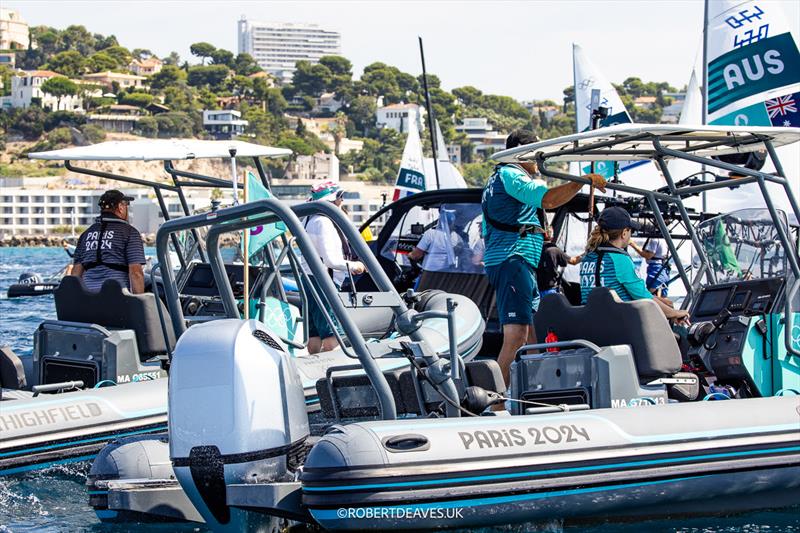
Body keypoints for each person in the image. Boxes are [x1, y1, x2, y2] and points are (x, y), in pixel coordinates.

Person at [482, 129, 608, 385]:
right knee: (517, 335)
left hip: (516, 260)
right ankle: (494, 401)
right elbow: (549, 200)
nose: (541, 161)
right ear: (520, 154)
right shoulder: (511, 174)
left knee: (531, 336)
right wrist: (580, 182)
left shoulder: (499, 178)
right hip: (512, 259)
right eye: (536, 155)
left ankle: (537, 390)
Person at [579, 207, 689, 324]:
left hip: (591, 323)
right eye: (631, 230)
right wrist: (675, 313)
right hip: (619, 326)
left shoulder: (588, 257)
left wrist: (662, 303)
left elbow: (638, 293)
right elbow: (643, 297)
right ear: (624, 233)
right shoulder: (620, 259)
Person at [302, 181, 366, 354]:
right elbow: (331, 261)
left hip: (309, 279)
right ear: (334, 200)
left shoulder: (310, 219)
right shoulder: (324, 222)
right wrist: (356, 266)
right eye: (341, 197)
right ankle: (334, 373)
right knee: (332, 334)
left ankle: (316, 371)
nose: (343, 201)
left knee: (314, 332)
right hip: (324, 281)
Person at [70, 190, 145, 293]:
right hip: (116, 297)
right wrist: (139, 304)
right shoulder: (130, 233)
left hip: (88, 297)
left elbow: (75, 274)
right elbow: (136, 273)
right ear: (120, 207)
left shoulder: (85, 234)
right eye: (126, 205)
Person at [407, 208, 464, 273]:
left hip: (429, 273)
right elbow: (460, 253)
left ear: (440, 221)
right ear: (453, 224)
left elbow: (416, 256)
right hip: (447, 273)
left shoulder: (430, 234)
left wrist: (410, 254)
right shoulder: (458, 238)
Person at [537, 232, 582, 297]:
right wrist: (587, 253)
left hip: (537, 291)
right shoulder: (554, 250)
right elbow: (574, 261)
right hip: (551, 290)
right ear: (548, 235)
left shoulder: (536, 250)